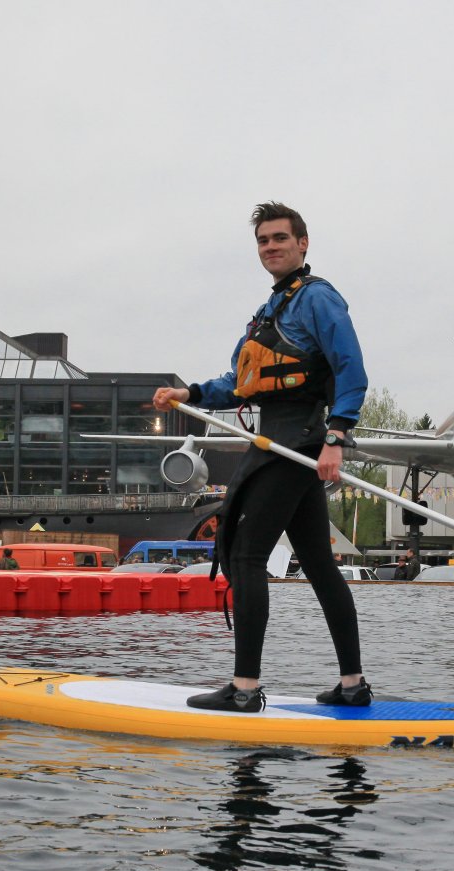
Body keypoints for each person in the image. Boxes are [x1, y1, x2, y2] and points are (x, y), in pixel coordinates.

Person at [151, 201, 369, 713]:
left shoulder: (318, 299)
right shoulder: (269, 311)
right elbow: (239, 383)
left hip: (296, 444)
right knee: (318, 564)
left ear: (302, 243)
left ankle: (244, 689)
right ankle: (353, 684)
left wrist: (336, 437)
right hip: (278, 440)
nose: (270, 247)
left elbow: (351, 369)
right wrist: (189, 394)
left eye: (280, 238)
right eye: (263, 241)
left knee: (245, 555)